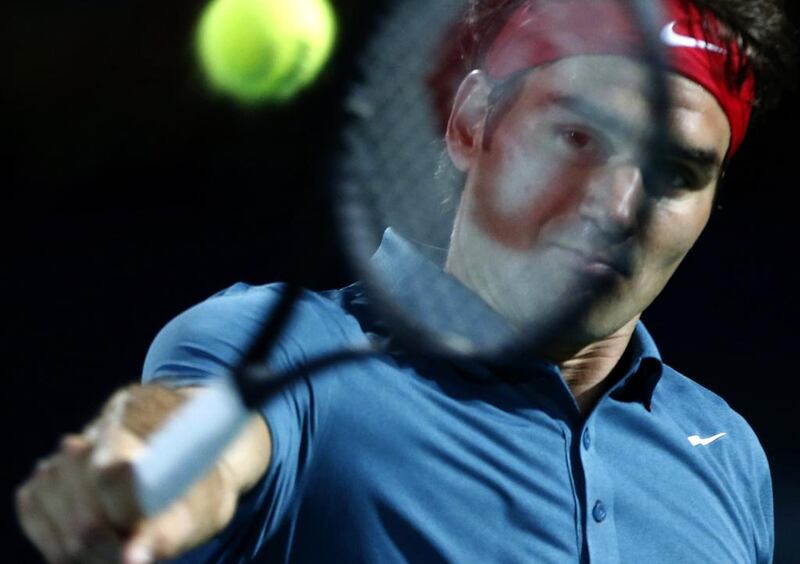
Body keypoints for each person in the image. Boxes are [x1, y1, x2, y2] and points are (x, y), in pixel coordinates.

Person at [15, 0, 796, 562]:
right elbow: (204, 430)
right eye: (578, 137)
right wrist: (146, 473)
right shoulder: (294, 353)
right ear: (469, 125)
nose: (617, 205)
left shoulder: (729, 454)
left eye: (677, 172)